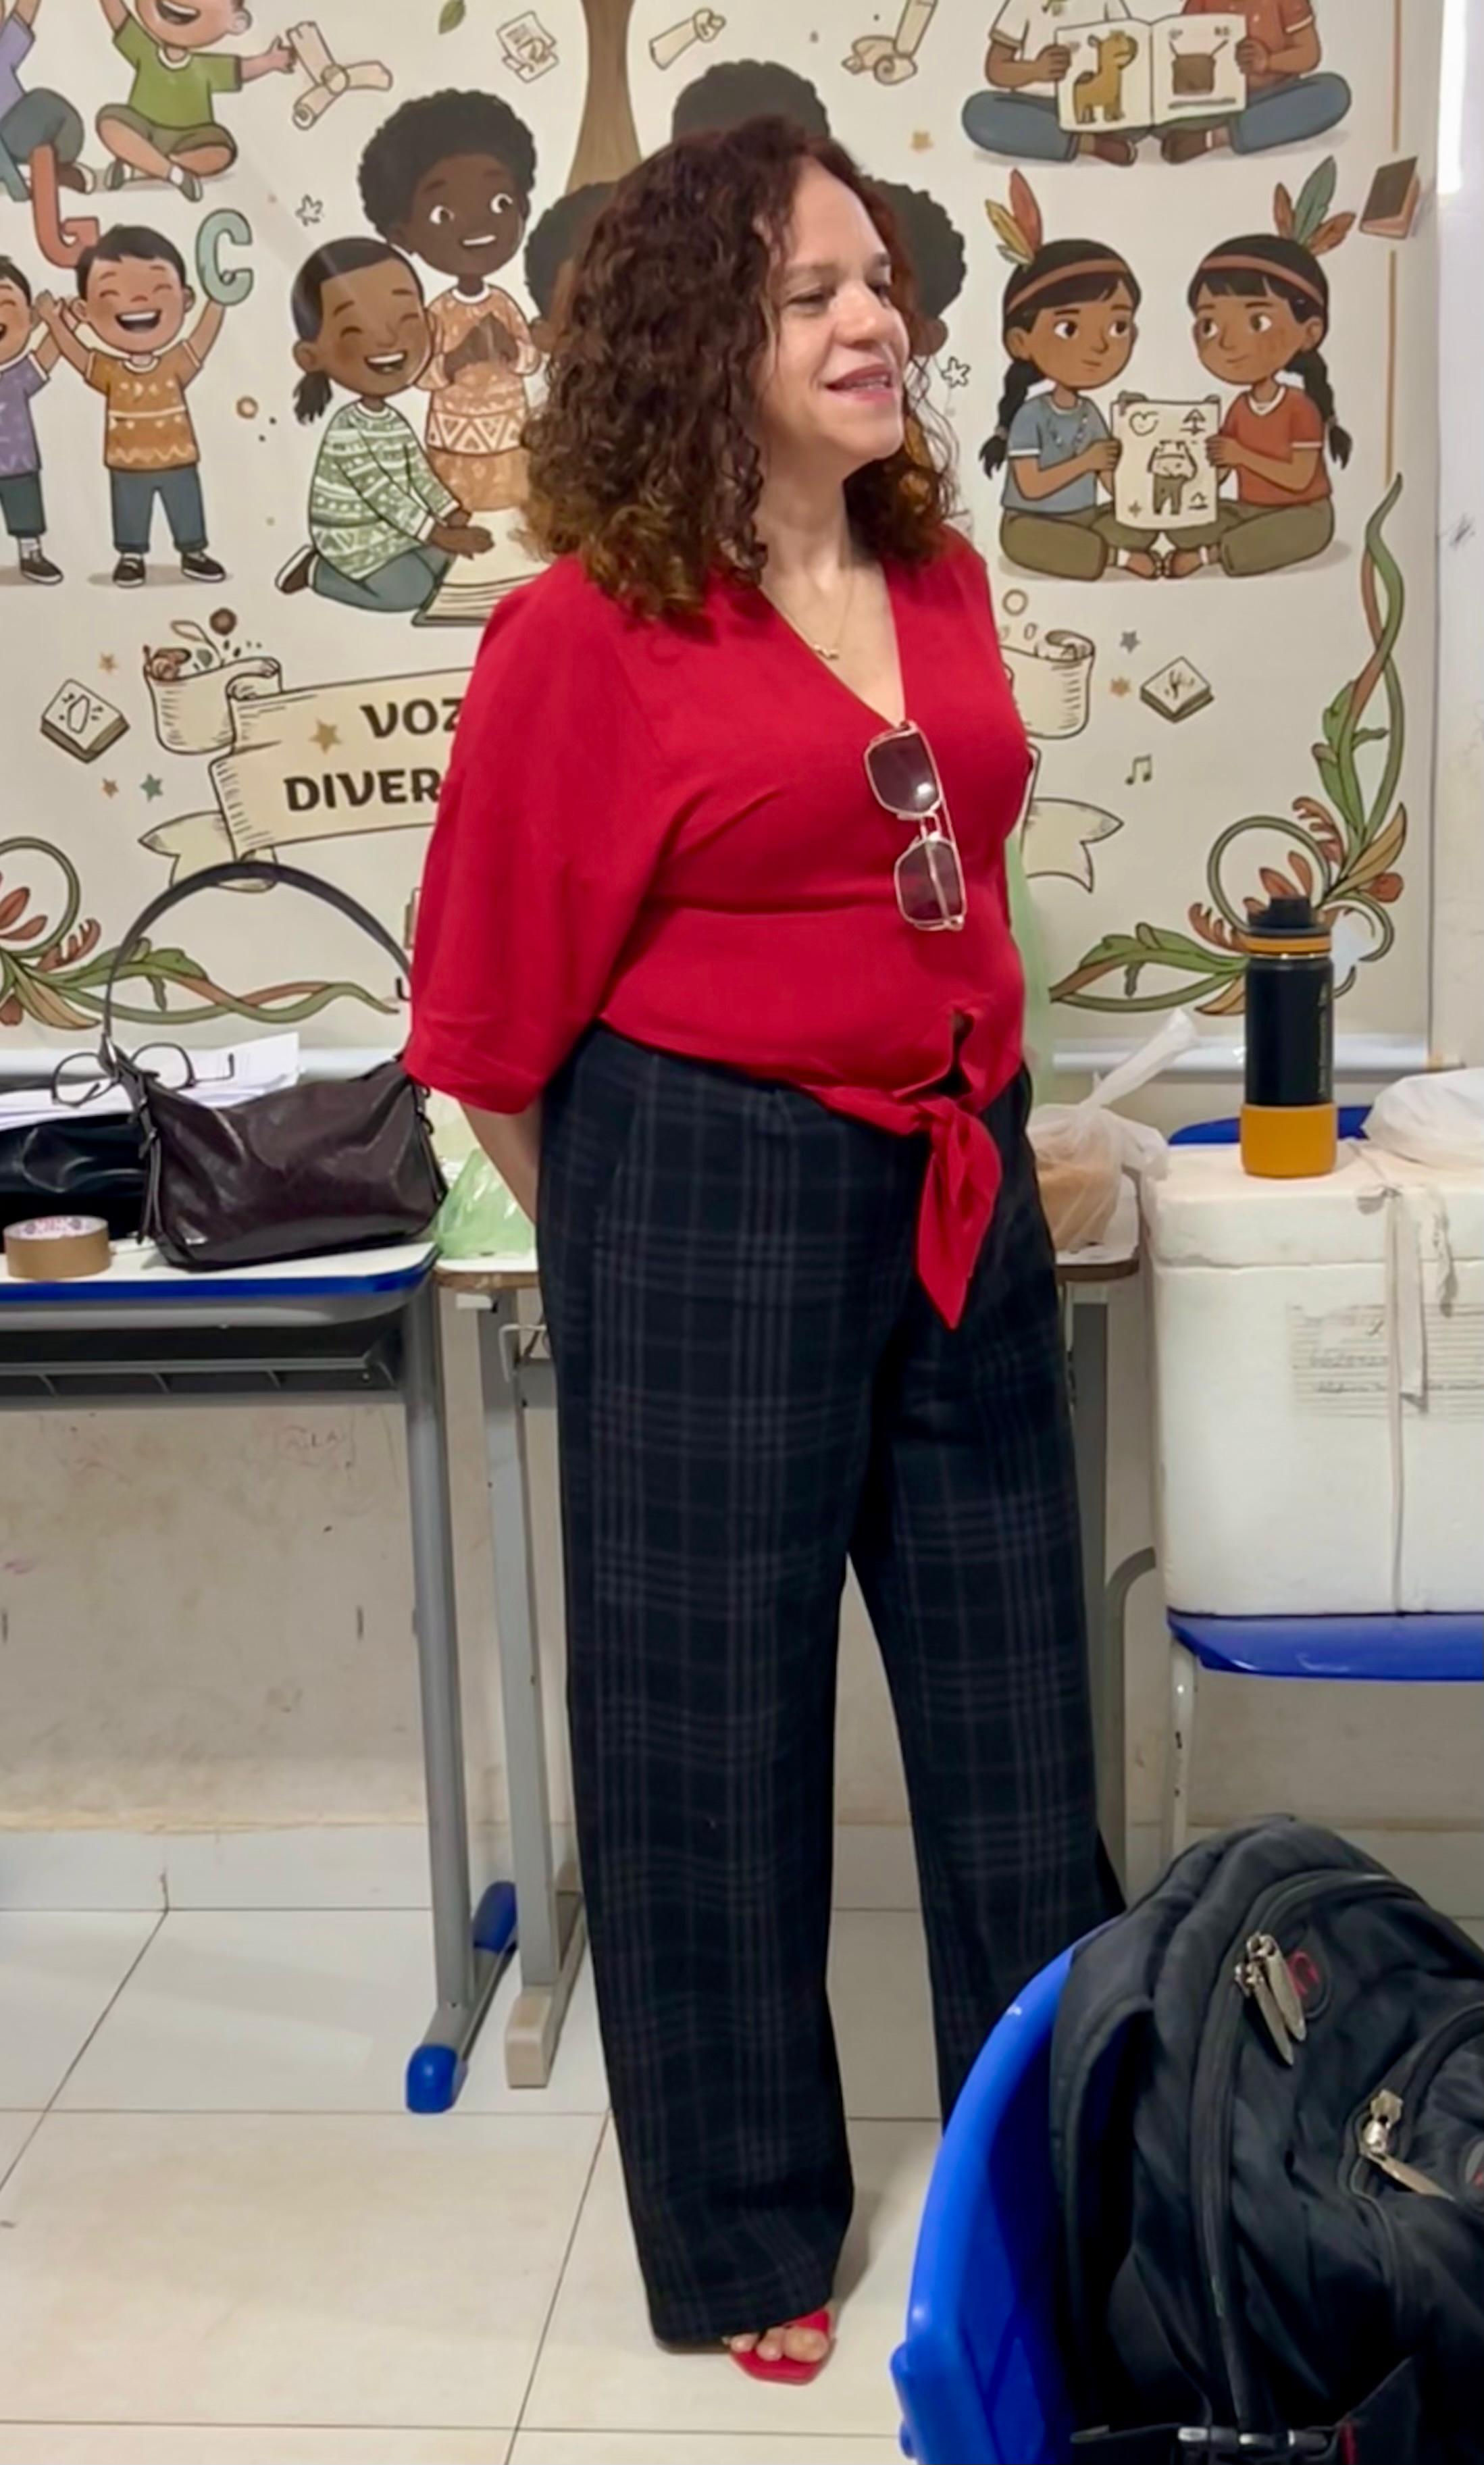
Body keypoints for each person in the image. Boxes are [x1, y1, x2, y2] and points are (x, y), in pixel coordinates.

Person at [407, 116, 1108, 2381]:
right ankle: (743, 2231)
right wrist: (641, 1250)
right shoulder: (578, 636)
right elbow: (487, 1030)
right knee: (704, 1732)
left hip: (958, 1174)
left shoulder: (938, 575)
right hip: (700, 1190)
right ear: (697, 338)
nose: (872, 320)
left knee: (1017, 1724)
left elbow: (955, 876)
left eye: (879, 280)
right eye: (813, 291)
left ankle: (1055, 2191)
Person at [277, 238, 491, 614]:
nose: (388, 338)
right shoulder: (347, 431)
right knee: (412, 591)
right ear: (311, 356)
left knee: (444, 563)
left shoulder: (392, 421)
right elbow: (383, 495)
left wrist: (449, 511)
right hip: (354, 542)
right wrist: (437, 532)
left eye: (405, 319)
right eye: (356, 328)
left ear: (429, 326)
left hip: (396, 536)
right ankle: (317, 572)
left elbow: (418, 473)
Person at [359, 89, 542, 516]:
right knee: (460, 516)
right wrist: (460, 357)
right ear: (403, 234)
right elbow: (421, 374)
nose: (477, 226)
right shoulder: (437, 313)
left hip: (509, 437)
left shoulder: (503, 303)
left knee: (516, 518)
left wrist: (511, 349)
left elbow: (530, 360)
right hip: (453, 443)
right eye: (443, 215)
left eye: (500, 203)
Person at [981, 180, 1158, 581]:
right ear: (1021, 341)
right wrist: (1086, 462)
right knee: (1032, 542)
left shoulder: (1090, 412)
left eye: (1117, 326)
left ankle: (1106, 550)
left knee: (1140, 527)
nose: (1099, 345)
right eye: (1069, 329)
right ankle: (1115, 558)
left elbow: (1110, 480)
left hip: (1085, 518)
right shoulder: (1030, 416)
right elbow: (1031, 486)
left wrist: (1138, 436)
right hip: (1032, 523)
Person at [35, 223, 228, 586]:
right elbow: (76, 354)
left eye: (157, 290)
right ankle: (131, 556)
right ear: (85, 310)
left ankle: (193, 552)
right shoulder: (110, 371)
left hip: (178, 458)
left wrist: (219, 297)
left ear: (186, 299)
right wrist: (53, 322)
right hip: (126, 462)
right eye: (113, 294)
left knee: (185, 505)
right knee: (130, 510)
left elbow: (202, 338)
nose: (137, 302)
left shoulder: (175, 363)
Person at [1171, 215, 1351, 578]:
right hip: (1249, 510)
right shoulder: (1240, 407)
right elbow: (1221, 467)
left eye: (1257, 323)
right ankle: (1215, 541)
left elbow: (1299, 478)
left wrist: (1241, 455)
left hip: (1302, 513)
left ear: (1310, 333)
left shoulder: (1300, 408)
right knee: (1182, 526)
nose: (1227, 342)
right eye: (1209, 325)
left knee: (1280, 536)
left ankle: (1210, 555)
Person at [93, 0, 292, 205]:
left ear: (236, 22)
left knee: (221, 151)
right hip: (143, 130)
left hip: (189, 138)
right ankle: (174, 173)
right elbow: (119, 18)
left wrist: (270, 61)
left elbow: (241, 70)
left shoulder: (206, 67)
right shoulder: (145, 51)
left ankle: (140, 168)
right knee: (110, 123)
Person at [963, 0, 1146, 168]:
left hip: (1097, 105)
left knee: (1145, 106)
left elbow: (1129, 44)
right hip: (1038, 108)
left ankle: (1093, 134)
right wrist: (1035, 70)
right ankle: (1087, 143)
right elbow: (996, 69)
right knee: (978, 111)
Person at [1162, 0, 1350, 163]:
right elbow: (1182, 43)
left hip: (1273, 98)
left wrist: (1268, 62)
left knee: (1334, 93)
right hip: (1216, 101)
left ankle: (1219, 137)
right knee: (1160, 108)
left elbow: (1310, 54)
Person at [0, 253, 61, 580]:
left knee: (24, 509)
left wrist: (59, 324)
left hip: (18, 462)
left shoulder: (17, 377)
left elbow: (47, 356)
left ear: (31, 318)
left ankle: (31, 553)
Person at [0, 0, 94, 195]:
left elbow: (24, 12)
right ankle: (36, 172)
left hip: (28, 135)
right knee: (41, 101)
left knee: (59, 114)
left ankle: (53, 170)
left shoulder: (4, 50)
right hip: (8, 142)